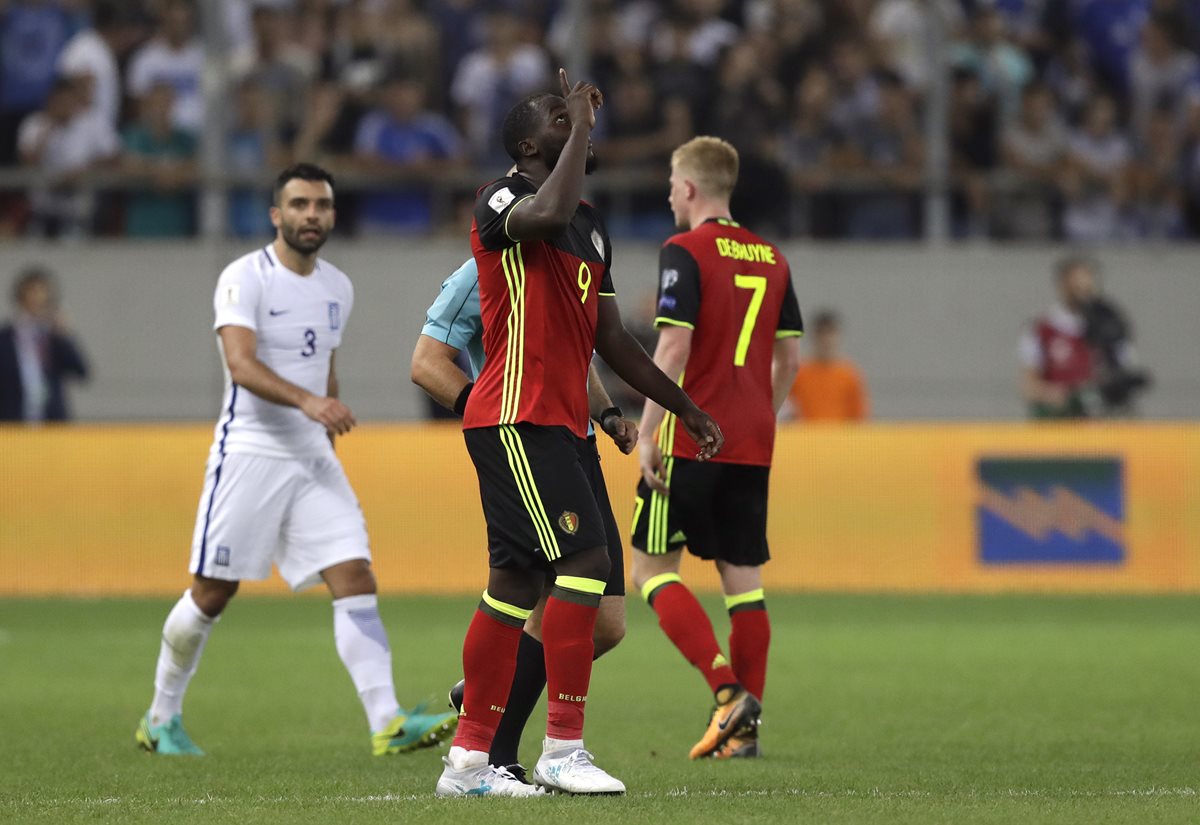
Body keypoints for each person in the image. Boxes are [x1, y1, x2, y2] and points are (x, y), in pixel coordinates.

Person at [435, 71, 724, 797]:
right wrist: (585, 127)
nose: (576, 120)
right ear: (530, 144)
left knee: (515, 584)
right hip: (514, 413)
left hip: (564, 424)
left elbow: (616, 343)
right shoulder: (500, 198)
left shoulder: (591, 226)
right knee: (586, 561)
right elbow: (547, 206)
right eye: (557, 118)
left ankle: (470, 761)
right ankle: (562, 746)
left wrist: (681, 407)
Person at [134, 164, 456, 758]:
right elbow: (241, 365)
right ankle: (160, 716)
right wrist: (312, 402)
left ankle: (386, 720)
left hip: (311, 457)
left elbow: (325, 365)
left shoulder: (338, 286)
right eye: (301, 204)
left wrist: (324, 424)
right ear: (276, 215)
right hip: (251, 452)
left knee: (355, 576)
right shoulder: (244, 277)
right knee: (211, 592)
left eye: (323, 205)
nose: (313, 215)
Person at [411, 257, 636, 784]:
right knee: (529, 587)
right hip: (523, 442)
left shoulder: (569, 259)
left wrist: (603, 415)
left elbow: (573, 360)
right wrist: (491, 414)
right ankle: (501, 753)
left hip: (575, 446)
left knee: (606, 622)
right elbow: (426, 362)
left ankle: (487, 694)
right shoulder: (483, 268)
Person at [630, 136, 803, 761]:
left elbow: (672, 348)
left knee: (649, 571)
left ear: (693, 188)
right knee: (744, 583)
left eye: (674, 184)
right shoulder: (773, 258)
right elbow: (789, 357)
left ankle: (725, 690)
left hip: (689, 437)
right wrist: (762, 411)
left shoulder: (684, 250)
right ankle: (745, 735)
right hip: (752, 440)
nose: (669, 194)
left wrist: (647, 431)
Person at [1019, 257, 1148, 418]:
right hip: (1061, 420)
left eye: (1087, 284)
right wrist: (1062, 395)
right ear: (1062, 285)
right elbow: (1029, 386)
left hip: (1102, 420)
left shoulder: (1109, 324)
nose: (1083, 291)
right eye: (1076, 285)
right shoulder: (1041, 329)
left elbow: (1125, 370)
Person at [0, 266, 89, 422]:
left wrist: (64, 336)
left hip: (51, 423)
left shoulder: (54, 337)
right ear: (21, 296)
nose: (38, 299)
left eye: (43, 294)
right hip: (12, 423)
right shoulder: (5, 338)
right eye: (33, 292)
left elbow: (81, 371)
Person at [786, 310, 868, 421]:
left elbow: (859, 416)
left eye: (830, 334)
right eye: (821, 334)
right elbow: (787, 411)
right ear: (814, 337)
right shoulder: (798, 374)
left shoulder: (849, 375)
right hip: (805, 436)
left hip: (839, 437)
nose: (826, 340)